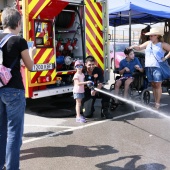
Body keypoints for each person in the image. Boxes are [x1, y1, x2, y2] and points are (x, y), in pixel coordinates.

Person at [0, 7, 36, 170]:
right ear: (18, 23)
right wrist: (32, 53)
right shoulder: (18, 41)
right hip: (14, 89)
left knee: (1, 131)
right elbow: (30, 66)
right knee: (14, 132)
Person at [129, 28, 170, 109]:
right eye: (150, 36)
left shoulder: (162, 44)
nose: (150, 37)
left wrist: (165, 58)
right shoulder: (148, 43)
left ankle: (157, 103)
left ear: (157, 36)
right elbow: (140, 47)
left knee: (158, 84)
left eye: (151, 36)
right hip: (148, 66)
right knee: (153, 84)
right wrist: (133, 46)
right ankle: (155, 100)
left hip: (157, 67)